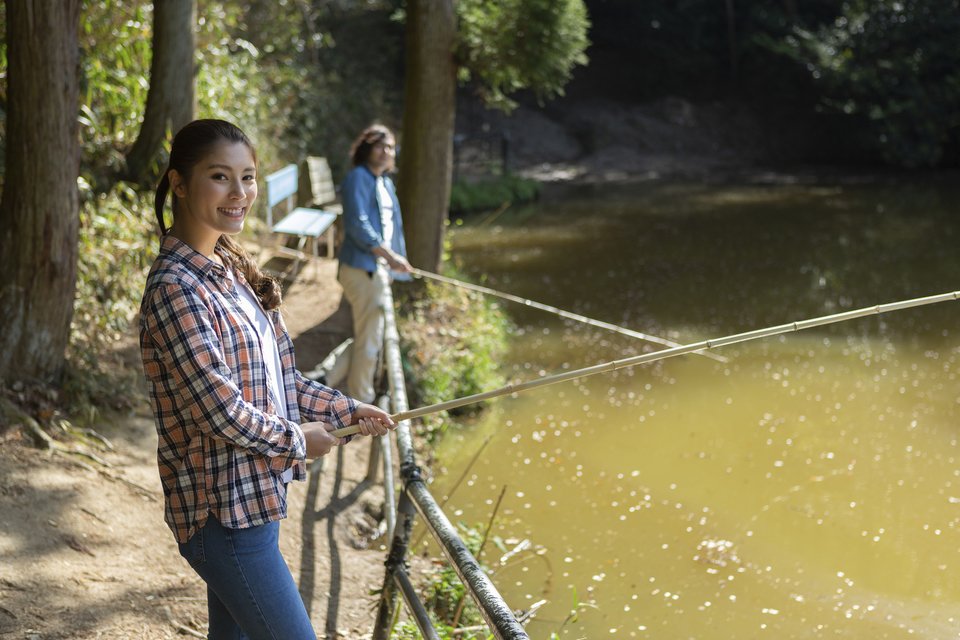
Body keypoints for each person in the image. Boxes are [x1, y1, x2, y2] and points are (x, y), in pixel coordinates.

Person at [139, 119, 395, 640]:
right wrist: (301, 440)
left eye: (248, 177)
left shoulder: (232, 268)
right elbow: (220, 410)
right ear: (180, 184)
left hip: (255, 502)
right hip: (222, 519)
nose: (240, 194)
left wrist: (346, 411)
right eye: (220, 177)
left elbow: (283, 382)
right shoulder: (176, 288)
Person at [337, 123, 413, 403]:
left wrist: (392, 264)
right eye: (380, 145)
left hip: (377, 270)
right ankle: (362, 402)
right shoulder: (358, 177)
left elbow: (392, 228)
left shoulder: (384, 182)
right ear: (367, 149)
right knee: (370, 341)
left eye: (390, 147)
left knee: (369, 336)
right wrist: (390, 258)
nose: (386, 152)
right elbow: (358, 225)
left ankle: (327, 378)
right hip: (362, 270)